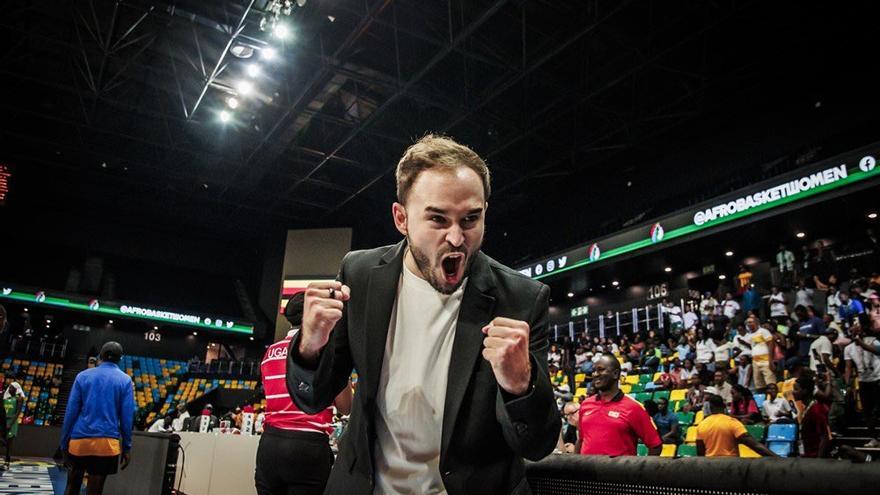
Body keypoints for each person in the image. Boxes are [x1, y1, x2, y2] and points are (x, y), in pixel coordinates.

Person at [284, 135, 560, 494]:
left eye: (470, 219)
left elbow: (537, 444)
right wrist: (310, 345)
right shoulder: (360, 274)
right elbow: (311, 398)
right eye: (438, 219)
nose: (457, 238)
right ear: (401, 218)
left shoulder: (521, 298)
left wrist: (520, 384)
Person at [256, 292, 353, 495]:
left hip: (269, 445)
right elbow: (346, 407)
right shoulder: (326, 352)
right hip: (307, 448)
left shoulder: (269, 353)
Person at [61, 342, 134, 495]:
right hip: (106, 445)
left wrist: (64, 443)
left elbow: (71, 412)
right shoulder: (125, 380)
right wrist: (127, 447)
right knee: (95, 491)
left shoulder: (82, 376)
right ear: (120, 359)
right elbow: (127, 418)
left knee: (71, 487)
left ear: (100, 356)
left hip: (79, 442)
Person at [576, 354, 662, 456]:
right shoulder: (586, 404)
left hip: (619, 471)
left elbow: (655, 445)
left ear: (615, 374)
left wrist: (642, 471)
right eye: (594, 371)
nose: (595, 374)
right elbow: (581, 440)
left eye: (600, 370)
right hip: (587, 470)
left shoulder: (633, 407)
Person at [695, 395, 777, 457]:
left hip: (710, 466)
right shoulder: (732, 422)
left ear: (710, 407)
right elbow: (754, 445)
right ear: (724, 406)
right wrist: (776, 458)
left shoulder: (701, 425)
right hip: (730, 466)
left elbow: (700, 453)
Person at [848, 322, 880, 447]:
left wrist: (860, 342)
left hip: (877, 378)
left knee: (877, 410)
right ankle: (873, 438)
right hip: (863, 381)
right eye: (853, 329)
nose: (855, 331)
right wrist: (848, 383)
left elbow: (875, 350)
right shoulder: (849, 348)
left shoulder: (874, 341)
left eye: (858, 329)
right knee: (867, 411)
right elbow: (848, 367)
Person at [793, 374, 831, 458]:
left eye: (796, 389)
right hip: (807, 456)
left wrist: (818, 461)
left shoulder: (816, 409)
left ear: (805, 391)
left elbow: (824, 437)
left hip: (815, 459)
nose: (793, 392)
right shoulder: (806, 409)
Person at [2, 381, 25, 469]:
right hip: (4, 421)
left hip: (12, 422)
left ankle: (7, 462)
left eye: (12, 387)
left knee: (9, 444)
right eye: (9, 387)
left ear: (16, 389)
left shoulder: (19, 399)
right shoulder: (5, 398)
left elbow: (18, 413)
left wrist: (10, 424)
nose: (9, 388)